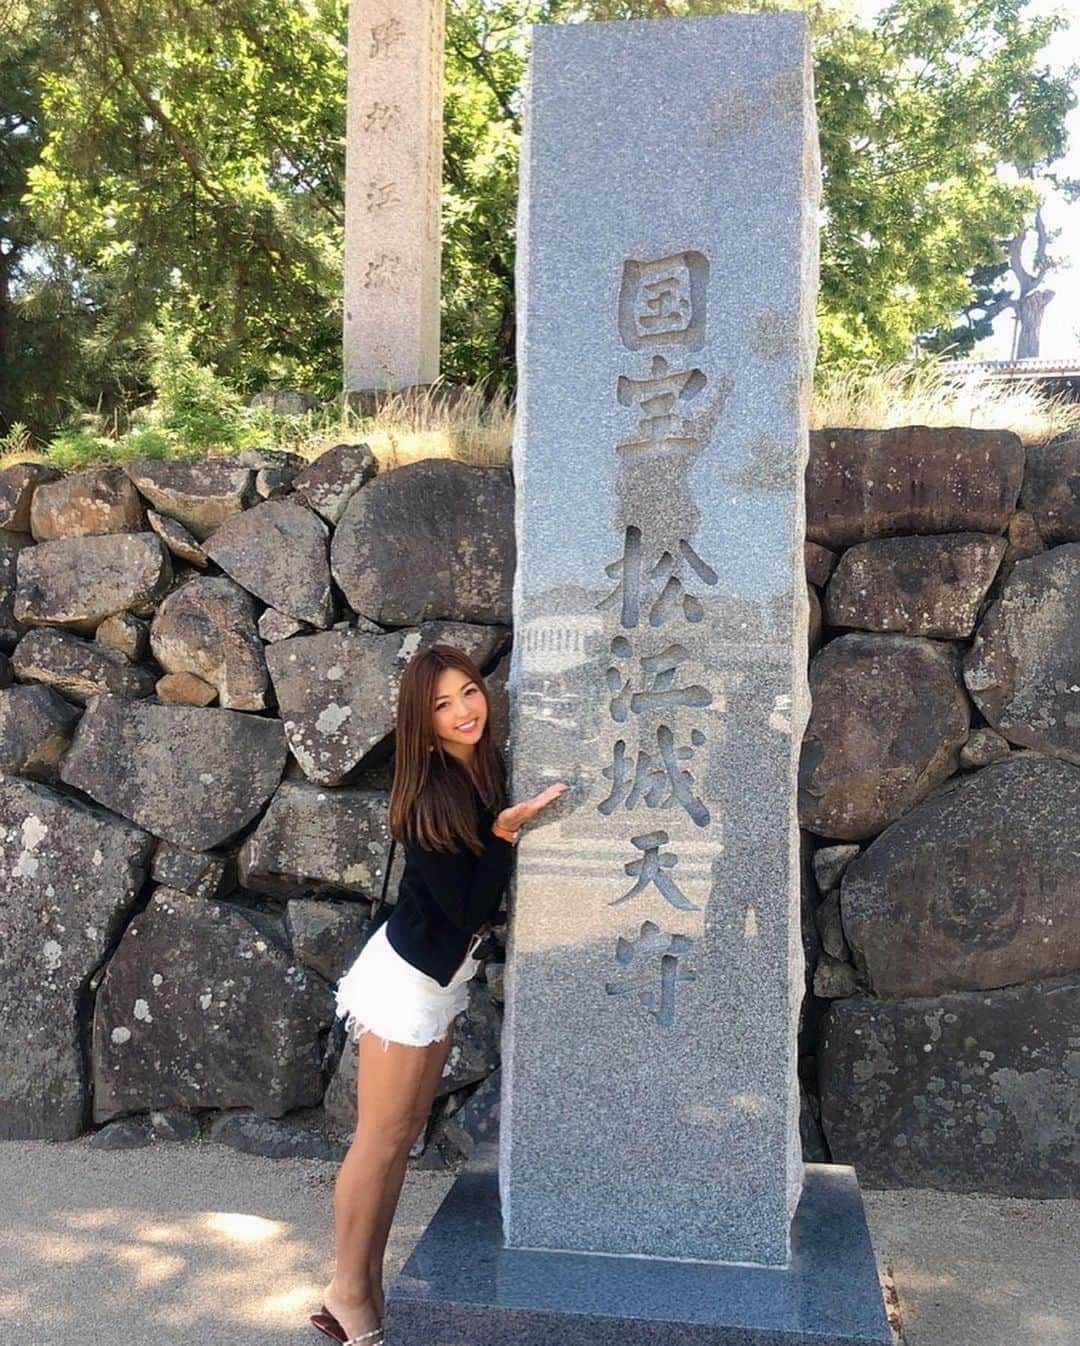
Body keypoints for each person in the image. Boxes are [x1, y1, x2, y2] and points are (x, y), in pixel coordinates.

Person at [311, 642, 568, 1346]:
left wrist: (499, 827)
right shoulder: (429, 788)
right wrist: (505, 835)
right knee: (379, 1140)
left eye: (469, 693)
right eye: (442, 705)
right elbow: (466, 910)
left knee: (399, 1141)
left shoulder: (476, 770)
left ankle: (362, 1286)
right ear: (420, 723)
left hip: (437, 985)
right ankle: (346, 1288)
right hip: (403, 984)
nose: (463, 712)